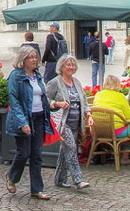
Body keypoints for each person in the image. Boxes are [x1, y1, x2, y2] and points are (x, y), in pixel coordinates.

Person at [6, 45, 54, 200]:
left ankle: (37, 189)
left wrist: (53, 105)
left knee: (37, 155)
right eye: (31, 57)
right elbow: (15, 101)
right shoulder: (16, 76)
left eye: (36, 57)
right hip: (23, 119)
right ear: (23, 59)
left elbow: (42, 96)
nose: (35, 60)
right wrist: (22, 122)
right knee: (24, 153)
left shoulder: (37, 75)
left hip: (39, 117)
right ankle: (12, 177)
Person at [45, 55, 92, 189]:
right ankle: (78, 180)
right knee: (71, 148)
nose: (71, 67)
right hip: (62, 123)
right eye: (68, 65)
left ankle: (60, 179)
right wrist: (57, 103)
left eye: (72, 65)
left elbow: (84, 100)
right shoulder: (55, 82)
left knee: (65, 150)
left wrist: (89, 114)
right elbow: (45, 101)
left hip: (76, 123)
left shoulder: (76, 82)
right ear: (62, 67)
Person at [93, 75, 130, 164]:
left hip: (97, 130)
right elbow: (129, 116)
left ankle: (106, 155)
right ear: (117, 85)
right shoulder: (120, 96)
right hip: (116, 131)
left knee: (125, 125)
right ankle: (124, 157)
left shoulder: (98, 95)